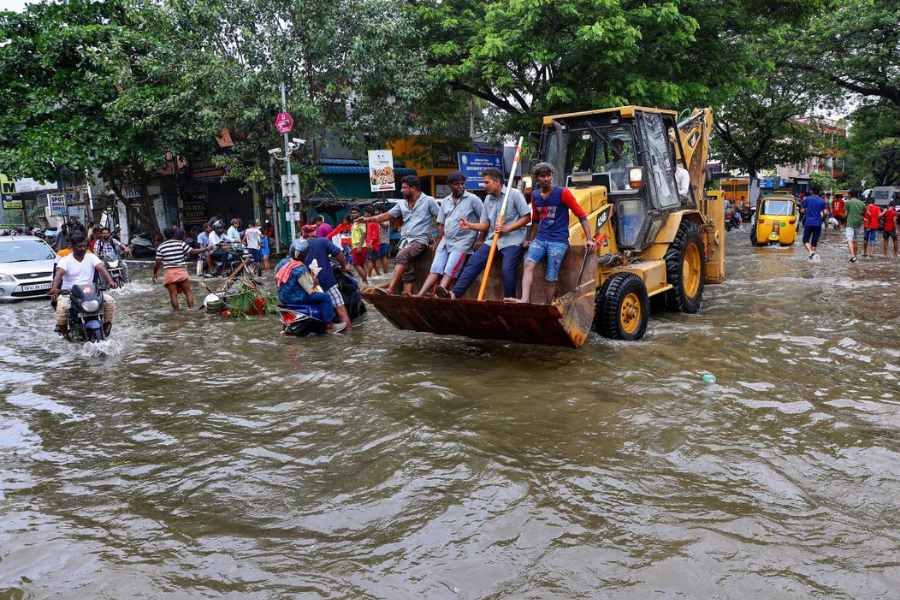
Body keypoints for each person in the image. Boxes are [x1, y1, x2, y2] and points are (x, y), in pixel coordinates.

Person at [443, 167, 531, 300]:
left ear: (497, 182)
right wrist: (470, 225)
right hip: (492, 240)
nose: (484, 186)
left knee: (507, 269)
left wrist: (507, 228)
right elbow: (485, 225)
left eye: (486, 182)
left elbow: (526, 217)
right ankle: (454, 294)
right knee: (474, 262)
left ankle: (509, 299)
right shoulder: (488, 199)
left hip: (513, 239)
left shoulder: (514, 194)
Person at [517, 162, 594, 303]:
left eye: (548, 175)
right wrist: (530, 239)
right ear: (537, 178)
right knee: (528, 263)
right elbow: (535, 220)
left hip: (558, 241)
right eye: (542, 176)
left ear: (551, 176)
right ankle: (524, 299)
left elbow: (581, 215)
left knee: (551, 276)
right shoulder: (535, 195)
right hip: (540, 239)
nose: (546, 179)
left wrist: (589, 239)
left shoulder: (563, 193)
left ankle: (548, 304)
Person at [361, 176, 439, 295]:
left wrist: (436, 238)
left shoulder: (429, 201)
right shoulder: (402, 204)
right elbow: (387, 215)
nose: (401, 190)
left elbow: (441, 219)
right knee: (407, 265)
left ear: (414, 188)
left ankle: (390, 289)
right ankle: (407, 292)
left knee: (402, 255)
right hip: (405, 240)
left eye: (404, 188)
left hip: (420, 239)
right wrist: (367, 219)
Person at [416, 171, 483, 296]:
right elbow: (441, 224)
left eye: (462, 184)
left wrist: (480, 239)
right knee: (435, 269)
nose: (460, 187)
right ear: (450, 185)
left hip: (463, 242)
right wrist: (437, 241)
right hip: (446, 241)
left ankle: (440, 291)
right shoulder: (445, 201)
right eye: (457, 184)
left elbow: (484, 220)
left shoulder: (473, 199)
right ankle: (420, 294)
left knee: (450, 269)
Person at [49, 232, 117, 336]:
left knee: (110, 301)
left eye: (84, 246)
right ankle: (64, 333)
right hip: (69, 293)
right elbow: (59, 274)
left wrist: (110, 281)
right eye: (79, 246)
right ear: (72, 246)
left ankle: (107, 325)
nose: (82, 248)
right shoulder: (65, 260)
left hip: (90, 292)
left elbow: (102, 269)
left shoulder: (91, 257)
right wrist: (54, 288)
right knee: (62, 308)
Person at [288, 237, 354, 332]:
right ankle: (348, 334)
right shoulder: (322, 241)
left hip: (300, 292)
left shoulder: (291, 258)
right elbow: (338, 253)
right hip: (325, 283)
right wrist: (344, 266)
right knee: (342, 311)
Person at [275, 242, 341, 332]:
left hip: (283, 297)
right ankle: (330, 325)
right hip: (296, 298)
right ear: (304, 255)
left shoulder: (283, 264)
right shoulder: (300, 268)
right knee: (325, 297)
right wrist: (315, 282)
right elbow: (309, 289)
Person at [152, 226, 204, 310]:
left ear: (164, 236)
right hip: (181, 272)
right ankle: (191, 311)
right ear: (174, 234)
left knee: (173, 295)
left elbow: (157, 263)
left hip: (170, 274)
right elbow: (193, 251)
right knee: (188, 293)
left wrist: (154, 273)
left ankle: (177, 314)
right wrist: (205, 249)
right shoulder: (180, 243)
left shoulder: (161, 247)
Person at [800, 186, 827, 260]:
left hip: (808, 222)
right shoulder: (822, 201)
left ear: (812, 191)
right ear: (819, 193)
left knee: (805, 240)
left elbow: (802, 210)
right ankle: (813, 257)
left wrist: (806, 211)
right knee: (814, 241)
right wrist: (822, 220)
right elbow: (825, 212)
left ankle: (811, 252)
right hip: (818, 223)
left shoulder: (807, 199)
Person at [347, 207, 369, 284]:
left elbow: (364, 233)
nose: (353, 214)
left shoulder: (361, 221)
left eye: (355, 213)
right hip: (356, 246)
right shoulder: (354, 223)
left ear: (359, 214)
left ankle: (366, 282)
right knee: (361, 265)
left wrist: (359, 246)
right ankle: (365, 283)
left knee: (355, 264)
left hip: (360, 246)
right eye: (352, 213)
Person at [844, 189, 865, 263]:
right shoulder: (862, 203)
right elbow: (864, 213)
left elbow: (845, 215)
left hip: (850, 223)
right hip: (858, 223)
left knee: (849, 240)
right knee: (855, 240)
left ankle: (852, 256)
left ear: (850, 194)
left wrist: (843, 221)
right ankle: (855, 257)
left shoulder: (848, 202)